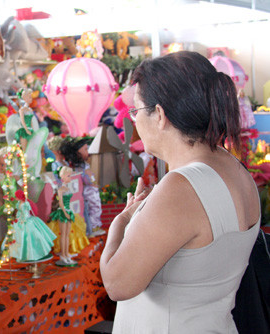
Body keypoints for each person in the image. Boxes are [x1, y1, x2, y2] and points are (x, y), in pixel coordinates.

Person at [100, 51, 260, 333]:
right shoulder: (235, 168)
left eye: (136, 111)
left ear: (159, 115)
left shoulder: (181, 187)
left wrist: (122, 221)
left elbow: (116, 284)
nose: (134, 121)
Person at [4, 190, 57, 262]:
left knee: (30, 237)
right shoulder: (18, 203)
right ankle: (22, 254)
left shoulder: (26, 203)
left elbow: (27, 211)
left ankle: (34, 253)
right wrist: (17, 218)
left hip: (26, 219)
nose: (16, 198)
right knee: (18, 236)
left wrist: (24, 219)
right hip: (20, 220)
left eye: (17, 197)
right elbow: (19, 211)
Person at [49, 166, 77, 265]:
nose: (70, 178)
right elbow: (60, 203)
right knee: (63, 235)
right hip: (62, 212)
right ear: (63, 177)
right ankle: (63, 255)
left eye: (70, 176)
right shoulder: (60, 189)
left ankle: (66, 253)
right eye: (68, 176)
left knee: (67, 234)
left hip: (68, 211)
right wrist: (65, 213)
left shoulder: (67, 188)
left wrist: (69, 212)